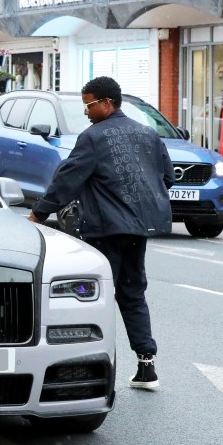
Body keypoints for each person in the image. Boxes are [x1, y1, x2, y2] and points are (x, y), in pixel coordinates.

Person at [28, 76, 175, 391]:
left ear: (107, 103)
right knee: (133, 292)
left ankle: (89, 367)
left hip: (105, 230)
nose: (86, 112)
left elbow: (68, 179)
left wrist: (39, 213)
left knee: (95, 297)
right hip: (139, 227)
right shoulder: (148, 134)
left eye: (89, 105)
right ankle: (146, 366)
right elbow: (166, 177)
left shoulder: (94, 138)